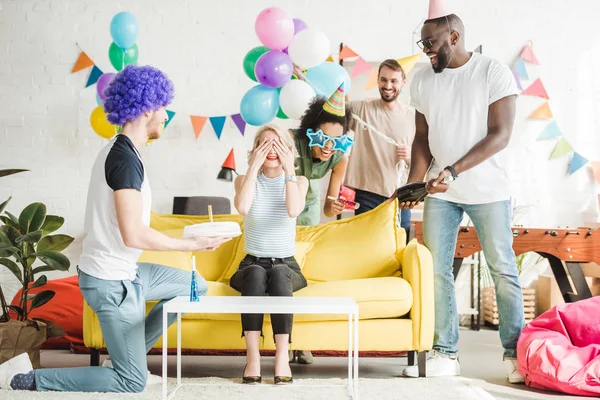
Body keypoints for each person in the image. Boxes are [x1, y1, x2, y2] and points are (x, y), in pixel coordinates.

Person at [0, 65, 230, 393]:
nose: (166, 116)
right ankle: (24, 379)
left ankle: (125, 357)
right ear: (147, 109)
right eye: (163, 108)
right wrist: (189, 245)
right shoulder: (123, 159)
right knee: (131, 382)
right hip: (111, 283)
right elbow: (132, 234)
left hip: (126, 272)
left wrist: (186, 240)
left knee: (194, 286)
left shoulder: (124, 151)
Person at [400, 4, 525, 384]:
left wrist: (453, 170)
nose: (427, 51)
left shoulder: (493, 72)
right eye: (422, 44)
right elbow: (422, 139)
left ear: (454, 37)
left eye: (433, 43)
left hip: (489, 190)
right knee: (436, 270)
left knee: (501, 269)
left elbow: (500, 135)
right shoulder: (422, 78)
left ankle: (515, 354)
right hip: (441, 191)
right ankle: (446, 352)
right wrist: (416, 184)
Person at [230, 124, 309, 384]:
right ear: (255, 150)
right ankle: (252, 358)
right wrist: (253, 167)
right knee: (254, 272)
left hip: (286, 265)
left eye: (277, 144)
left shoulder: (299, 181)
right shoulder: (244, 179)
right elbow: (242, 207)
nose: (271, 150)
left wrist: (289, 169)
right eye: (264, 144)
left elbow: (293, 210)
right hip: (251, 263)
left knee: (278, 272)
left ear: (288, 150)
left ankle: (282, 357)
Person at [288, 84, 354, 364]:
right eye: (323, 138)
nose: (329, 146)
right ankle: (285, 337)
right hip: (282, 202)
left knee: (303, 276)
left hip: (311, 209)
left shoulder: (339, 158)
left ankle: (301, 340)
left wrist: (335, 205)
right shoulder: (291, 142)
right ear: (309, 131)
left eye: (336, 140)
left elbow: (328, 207)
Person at [345, 59, 416, 238]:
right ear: (377, 81)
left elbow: (427, 158)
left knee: (398, 250)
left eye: (394, 81)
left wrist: (410, 156)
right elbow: (331, 110)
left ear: (403, 83)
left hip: (401, 197)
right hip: (367, 194)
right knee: (365, 249)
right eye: (383, 80)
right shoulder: (361, 109)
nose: (388, 85)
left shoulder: (414, 117)